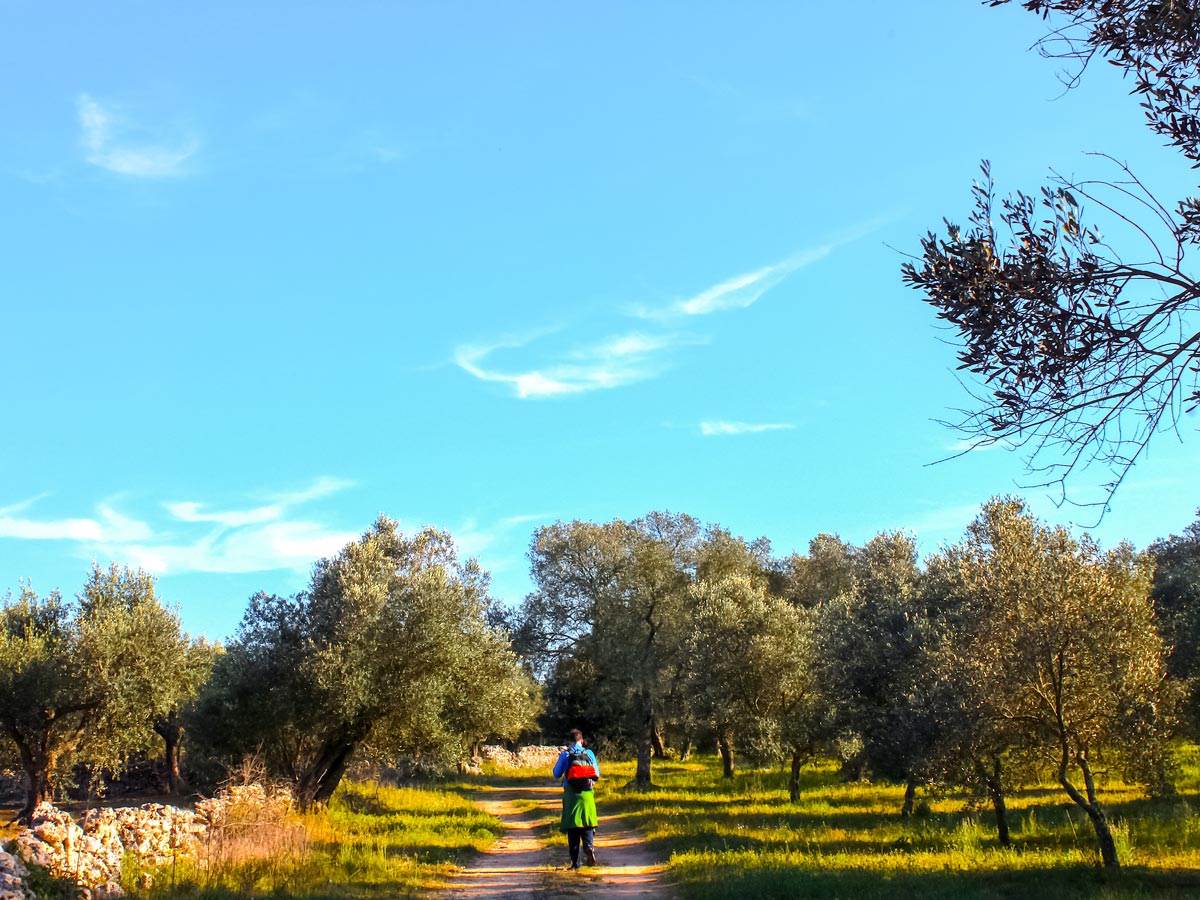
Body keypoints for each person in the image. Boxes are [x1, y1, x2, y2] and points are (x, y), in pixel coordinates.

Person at [551, 728, 600, 869]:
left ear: (568, 742)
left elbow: (556, 773)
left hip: (571, 794)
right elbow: (597, 773)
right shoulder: (589, 753)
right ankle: (589, 847)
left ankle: (575, 864)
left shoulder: (566, 755)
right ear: (582, 741)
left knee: (573, 828)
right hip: (587, 794)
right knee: (587, 823)